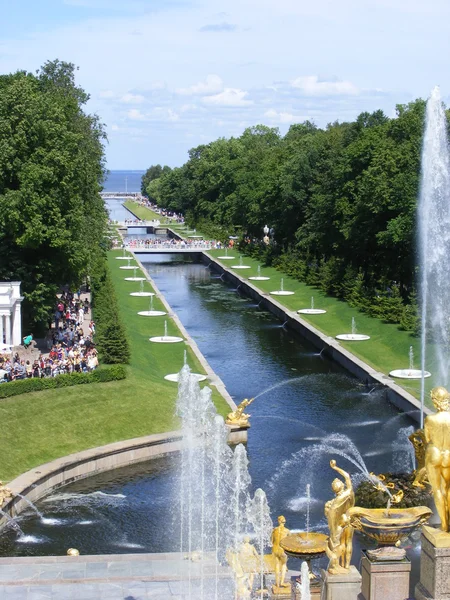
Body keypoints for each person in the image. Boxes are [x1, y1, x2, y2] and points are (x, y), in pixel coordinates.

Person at [424, 386, 450, 532]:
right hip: (449, 454)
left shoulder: (430, 419)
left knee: (438, 490)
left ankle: (444, 525)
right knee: (448, 488)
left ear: (435, 401)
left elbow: (428, 438)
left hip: (435, 453)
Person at [324, 460, 355, 574]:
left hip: (339, 525)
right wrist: (336, 467)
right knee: (348, 543)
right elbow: (347, 476)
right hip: (349, 521)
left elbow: (331, 518)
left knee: (340, 543)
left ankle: (338, 565)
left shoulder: (335, 502)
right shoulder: (349, 493)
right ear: (342, 486)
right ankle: (346, 565)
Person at [271, 515, 290, 591]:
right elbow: (289, 542)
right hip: (282, 550)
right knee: (284, 565)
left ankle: (277, 583)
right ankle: (282, 582)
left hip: (275, 549)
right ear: (284, 522)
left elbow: (272, 540)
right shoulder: (287, 531)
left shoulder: (274, 530)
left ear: (279, 521)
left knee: (277, 566)